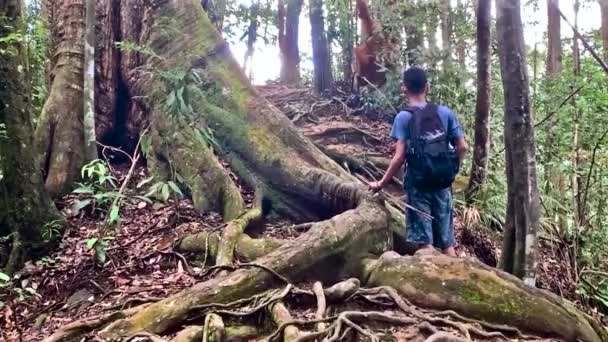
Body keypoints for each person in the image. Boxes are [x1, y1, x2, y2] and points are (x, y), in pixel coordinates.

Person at [369, 67, 468, 256]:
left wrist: (381, 184)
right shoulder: (444, 113)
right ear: (427, 87)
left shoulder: (403, 117)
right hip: (442, 184)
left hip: (418, 185)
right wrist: (451, 168)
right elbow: (462, 147)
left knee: (425, 243)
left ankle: (429, 282)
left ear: (403, 88)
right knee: (447, 243)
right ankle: (454, 283)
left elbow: (399, 157)